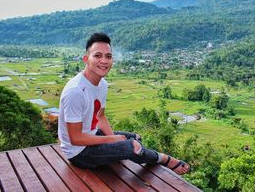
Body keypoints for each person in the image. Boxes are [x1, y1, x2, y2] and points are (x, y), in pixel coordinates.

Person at [58, 32, 190, 175]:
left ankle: (130, 152)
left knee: (135, 138)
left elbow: (100, 117)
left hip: (92, 135)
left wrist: (114, 141)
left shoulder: (102, 84)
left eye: (108, 56)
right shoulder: (75, 91)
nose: (104, 61)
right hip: (79, 153)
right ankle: (164, 159)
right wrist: (112, 139)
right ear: (86, 59)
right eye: (97, 55)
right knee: (132, 146)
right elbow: (76, 139)